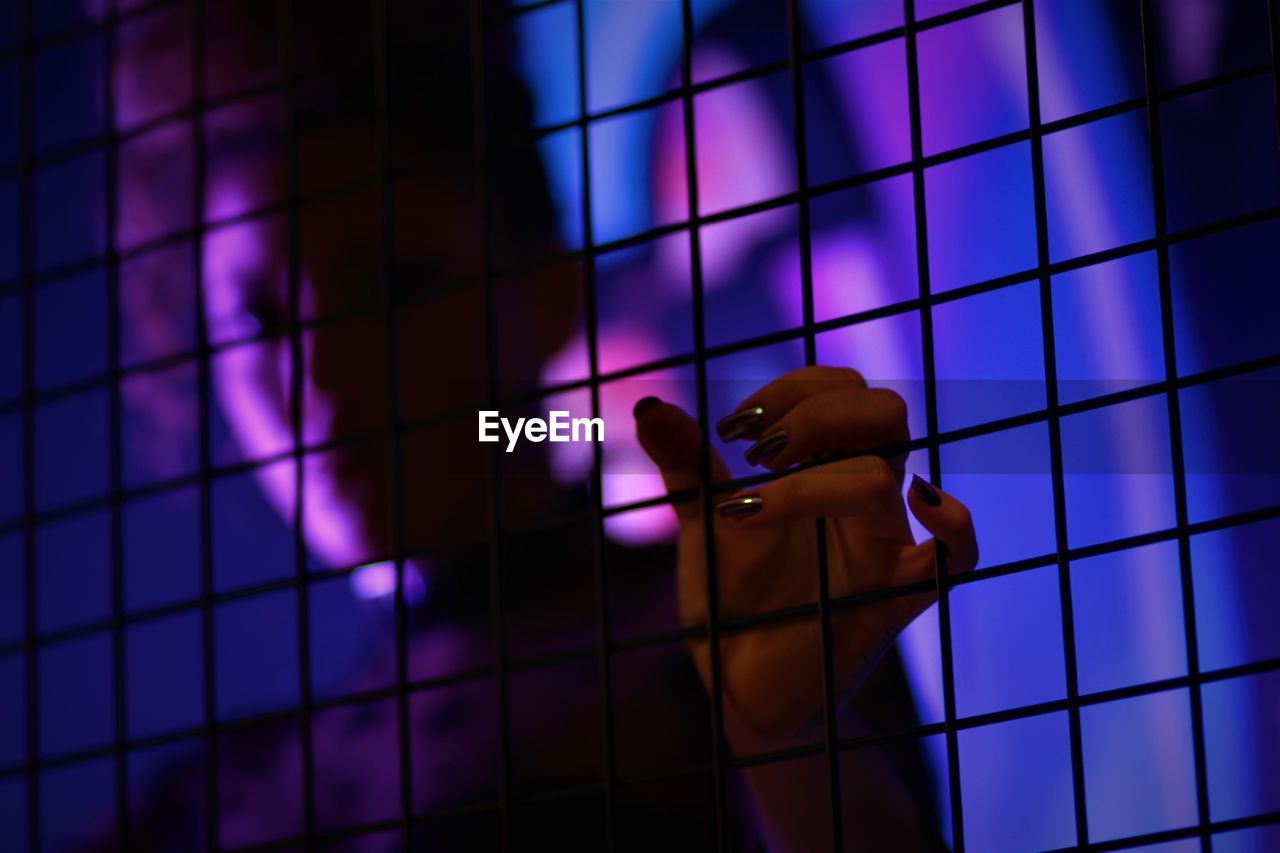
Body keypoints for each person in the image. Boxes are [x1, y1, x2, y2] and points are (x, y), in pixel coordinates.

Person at [95, 1, 978, 850]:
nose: (323, 375)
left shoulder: (751, 626)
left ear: (549, 289)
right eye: (256, 323)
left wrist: (790, 740)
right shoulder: (215, 802)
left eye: (395, 287)